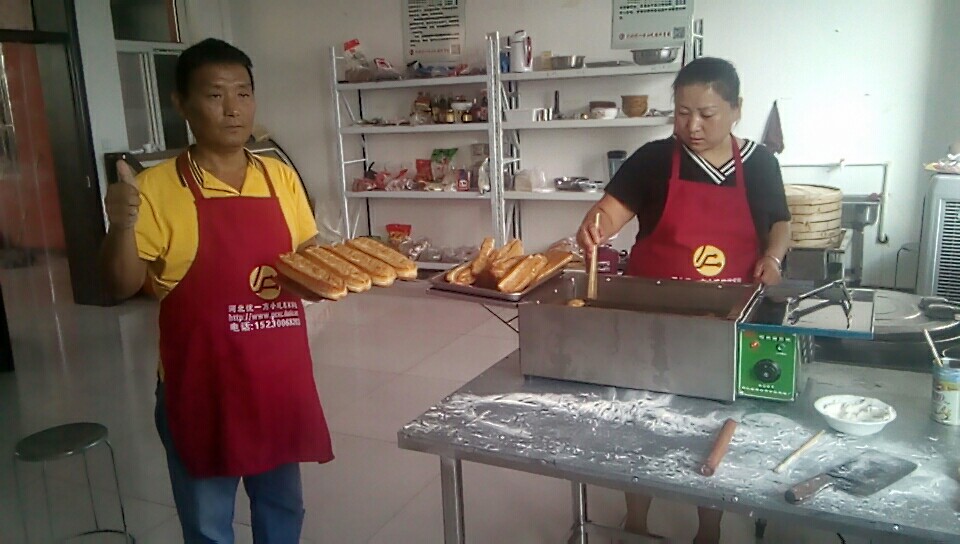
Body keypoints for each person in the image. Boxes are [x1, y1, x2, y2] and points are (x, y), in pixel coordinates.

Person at [101, 38, 332, 543]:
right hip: (203, 387)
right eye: (215, 96)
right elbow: (121, 286)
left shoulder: (279, 177)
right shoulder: (157, 188)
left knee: (282, 509)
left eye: (244, 94)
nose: (233, 110)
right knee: (208, 525)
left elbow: (308, 262)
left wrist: (336, 275)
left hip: (276, 378)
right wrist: (120, 225)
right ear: (180, 103)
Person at [576, 57, 791, 543]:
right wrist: (595, 228)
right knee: (640, 419)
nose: (692, 126)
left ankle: (708, 527)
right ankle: (635, 521)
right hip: (651, 313)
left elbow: (780, 222)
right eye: (681, 112)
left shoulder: (759, 163)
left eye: (707, 114)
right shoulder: (654, 159)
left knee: (710, 422)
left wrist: (773, 257)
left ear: (736, 109)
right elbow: (611, 211)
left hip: (723, 317)